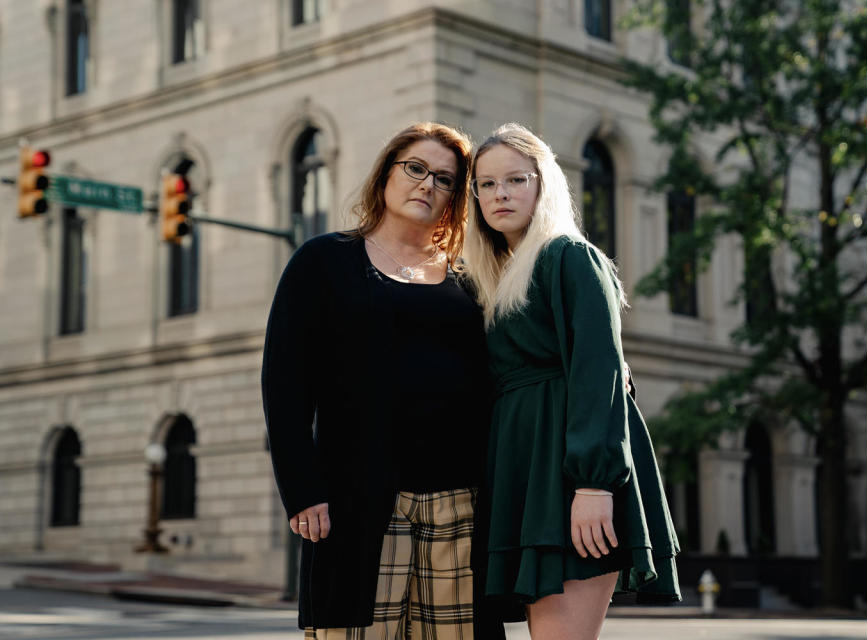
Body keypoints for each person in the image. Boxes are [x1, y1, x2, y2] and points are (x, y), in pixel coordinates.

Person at [262, 122, 503, 639]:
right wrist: (302, 490)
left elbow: (521, 359)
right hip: (358, 502)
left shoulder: (474, 278)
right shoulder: (324, 262)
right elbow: (285, 385)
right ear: (386, 175)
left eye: (445, 179)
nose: (427, 185)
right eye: (415, 168)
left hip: (463, 503)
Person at [464, 123, 682, 640]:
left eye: (515, 180)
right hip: (519, 470)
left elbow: (598, 373)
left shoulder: (570, 257)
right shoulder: (489, 276)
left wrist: (594, 483)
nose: (501, 194)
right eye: (487, 184)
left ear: (544, 185)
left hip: (570, 473)